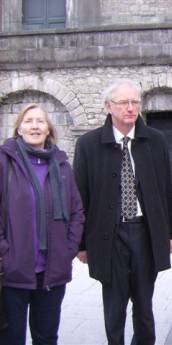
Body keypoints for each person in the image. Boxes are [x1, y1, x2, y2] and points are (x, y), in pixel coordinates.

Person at [73, 79, 172, 345]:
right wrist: (81, 244)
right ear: (109, 106)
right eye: (123, 103)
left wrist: (170, 232)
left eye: (135, 102)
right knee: (114, 306)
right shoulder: (88, 144)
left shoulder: (155, 140)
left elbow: (167, 188)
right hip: (109, 236)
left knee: (144, 306)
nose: (131, 108)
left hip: (144, 231)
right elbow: (80, 196)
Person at [0, 104, 84, 345]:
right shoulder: (5, 163)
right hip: (13, 271)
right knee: (10, 338)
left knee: (46, 338)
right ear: (19, 129)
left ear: (49, 129)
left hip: (52, 271)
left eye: (40, 121)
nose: (35, 126)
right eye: (28, 121)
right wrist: (5, 251)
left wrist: (68, 249)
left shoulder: (61, 165)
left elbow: (77, 210)